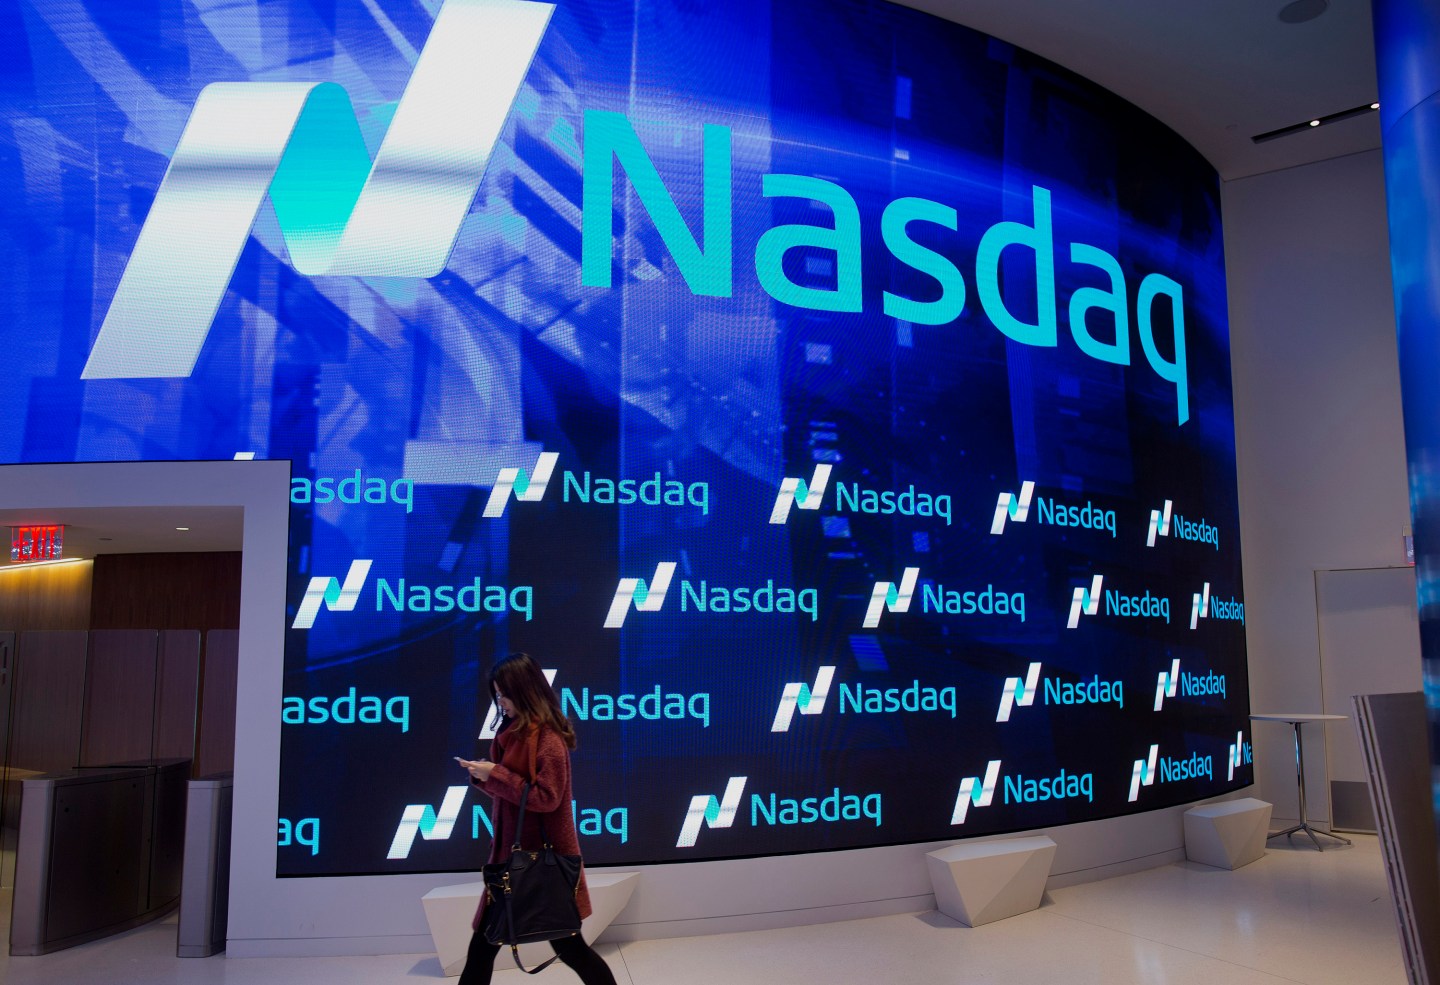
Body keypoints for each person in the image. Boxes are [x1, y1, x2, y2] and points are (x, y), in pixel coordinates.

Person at [454, 652, 617, 985]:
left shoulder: (547, 738)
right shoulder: (515, 732)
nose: (500, 702)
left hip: (541, 862)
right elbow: (516, 797)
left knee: (569, 949)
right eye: (497, 694)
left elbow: (545, 798)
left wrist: (494, 774)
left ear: (525, 692)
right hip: (512, 862)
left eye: (504, 694)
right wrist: (485, 776)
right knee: (484, 947)